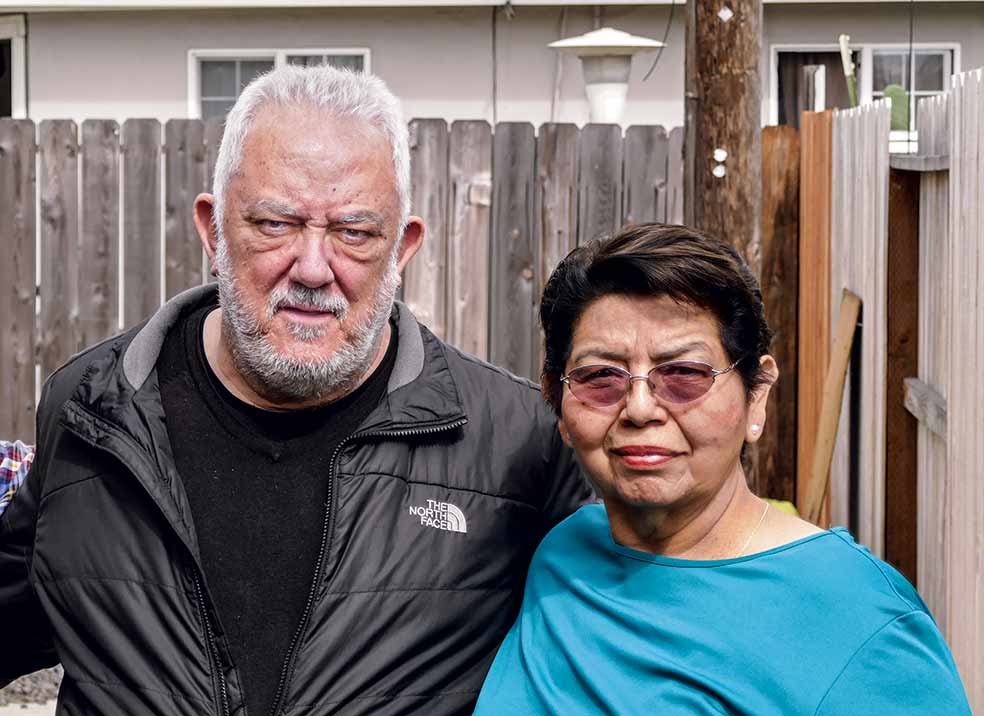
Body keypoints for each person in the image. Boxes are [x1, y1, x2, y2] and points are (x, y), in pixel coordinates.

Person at [0, 66, 589, 716]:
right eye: (275, 223)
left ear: (403, 248)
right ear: (213, 231)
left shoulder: (515, 441)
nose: (312, 269)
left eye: (354, 233)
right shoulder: (93, 410)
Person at [473, 224, 971, 715]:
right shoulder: (565, 553)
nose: (640, 409)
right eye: (601, 376)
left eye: (684, 373)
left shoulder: (861, 623)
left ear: (757, 395)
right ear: (557, 401)